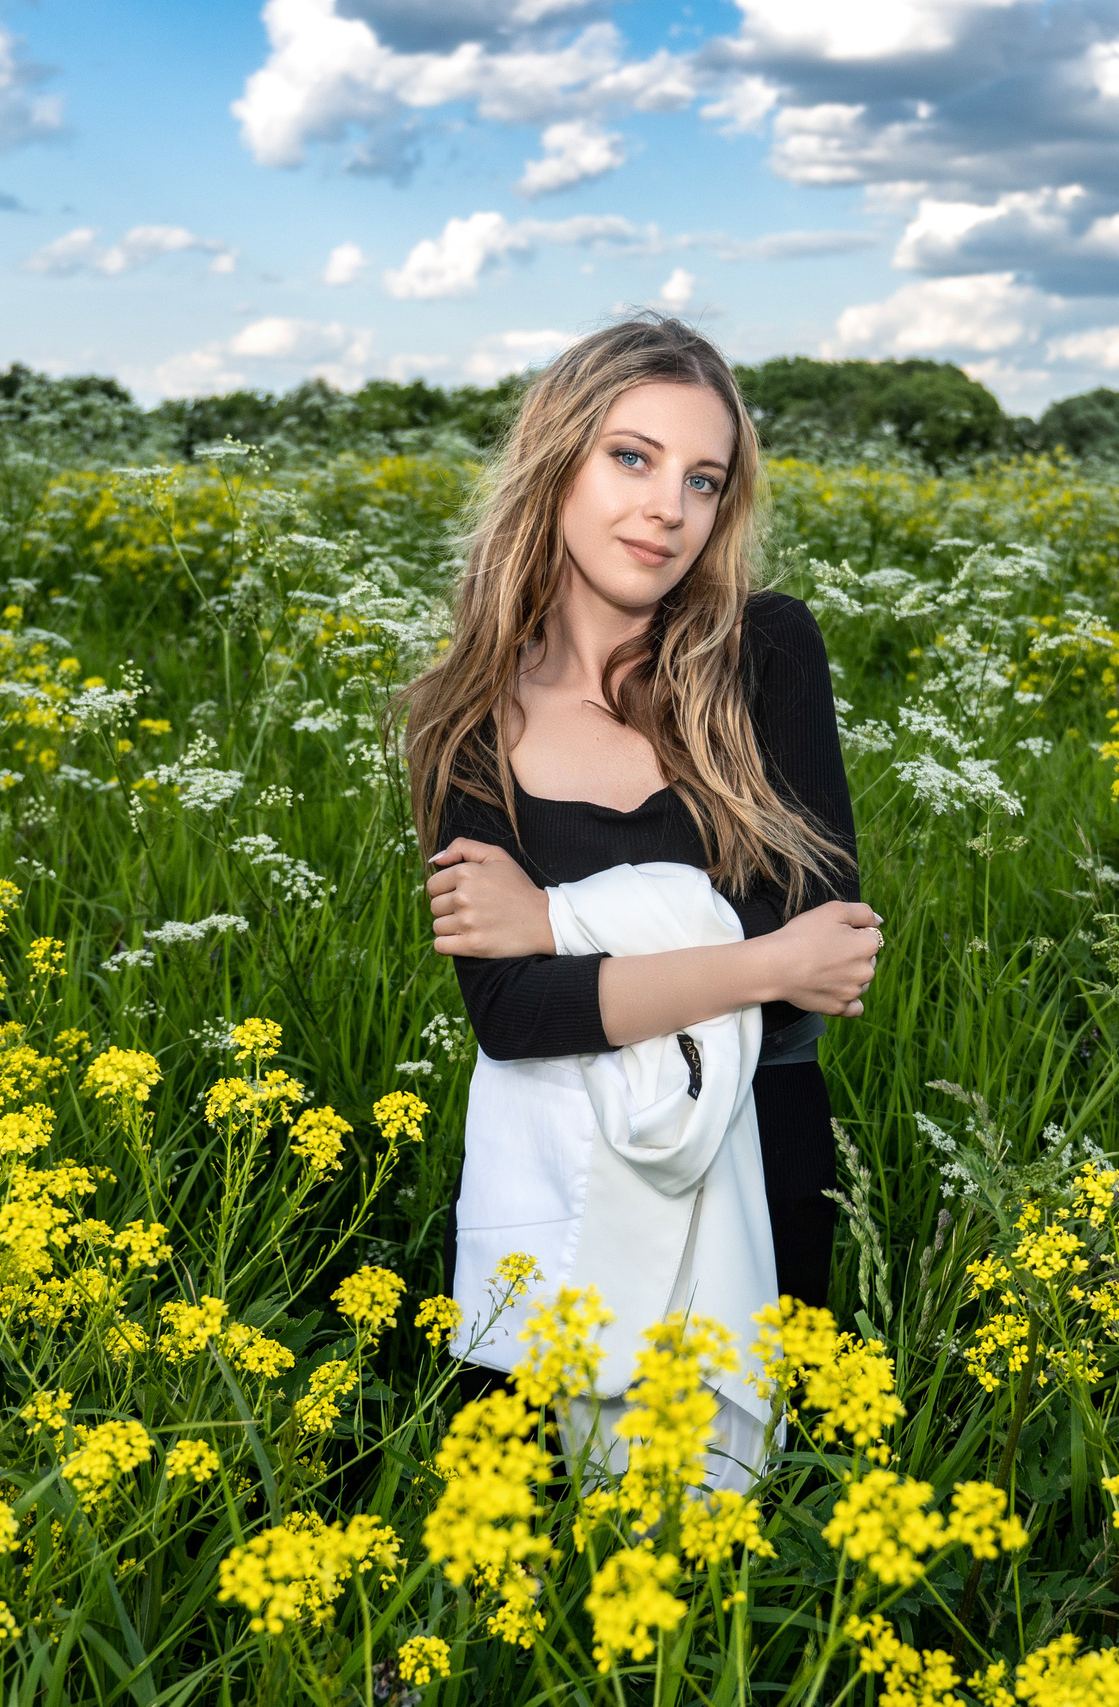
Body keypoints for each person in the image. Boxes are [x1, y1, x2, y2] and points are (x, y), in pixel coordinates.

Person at [400, 316, 880, 1469]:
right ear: (557, 461)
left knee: (742, 1536)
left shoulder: (764, 652)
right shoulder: (461, 720)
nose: (668, 507)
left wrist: (558, 922)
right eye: (632, 457)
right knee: (535, 1541)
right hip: (555, 1191)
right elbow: (514, 1017)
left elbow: (821, 966)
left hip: (762, 1156)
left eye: (702, 480)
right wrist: (754, 959)